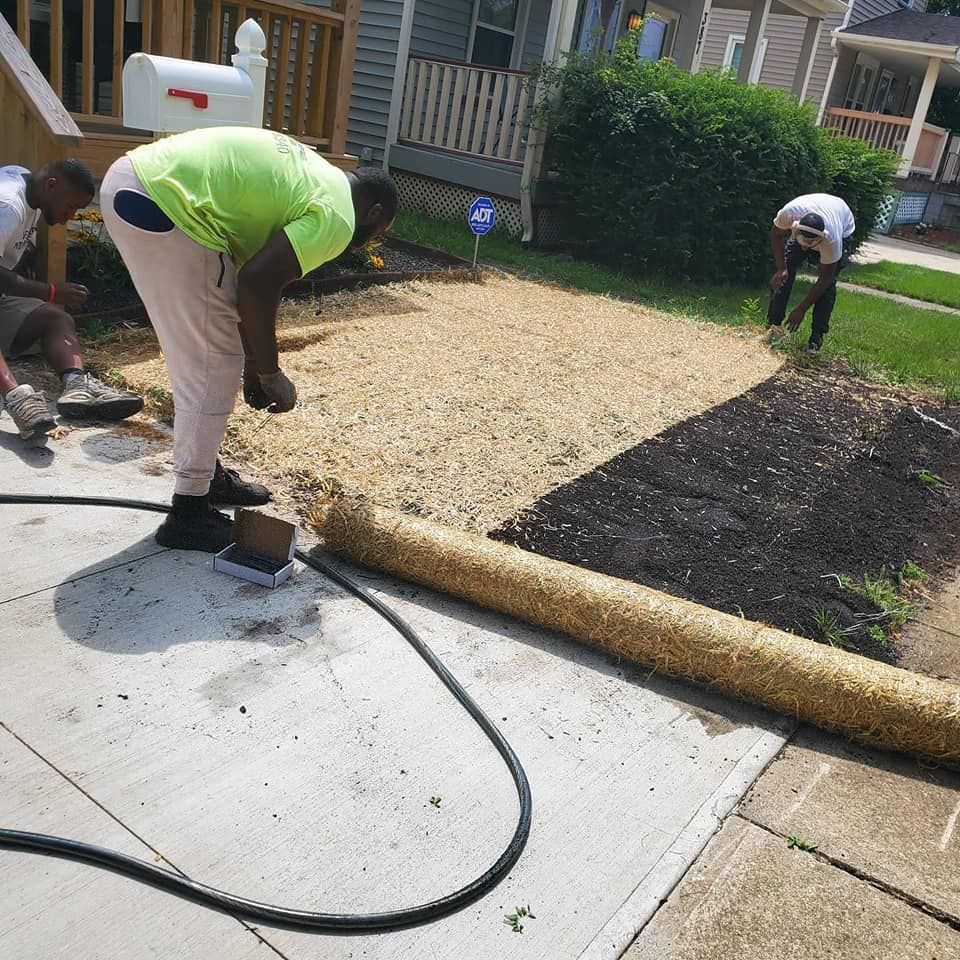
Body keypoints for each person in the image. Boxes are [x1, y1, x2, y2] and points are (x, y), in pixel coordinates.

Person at [101, 126, 397, 552]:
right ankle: (188, 512)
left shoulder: (313, 177)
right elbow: (258, 284)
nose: (374, 239)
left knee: (210, 352)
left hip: (141, 183)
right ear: (371, 212)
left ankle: (204, 474)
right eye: (381, 231)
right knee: (210, 366)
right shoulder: (337, 215)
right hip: (162, 201)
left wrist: (253, 365)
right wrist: (272, 372)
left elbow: (240, 290)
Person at [0, 159, 143, 441]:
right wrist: (50, 291)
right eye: (70, 207)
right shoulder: (8, 206)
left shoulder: (26, 185)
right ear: (51, 185)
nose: (69, 217)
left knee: (56, 318)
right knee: (52, 304)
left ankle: (77, 386)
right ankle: (16, 396)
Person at [766, 193, 855, 353]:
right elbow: (776, 234)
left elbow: (825, 278)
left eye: (811, 243)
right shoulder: (788, 214)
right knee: (784, 275)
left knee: (828, 286)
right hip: (813, 214)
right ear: (795, 228)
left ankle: (815, 340)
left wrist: (801, 309)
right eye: (804, 242)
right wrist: (781, 268)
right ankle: (774, 327)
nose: (806, 247)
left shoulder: (832, 239)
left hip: (842, 221)